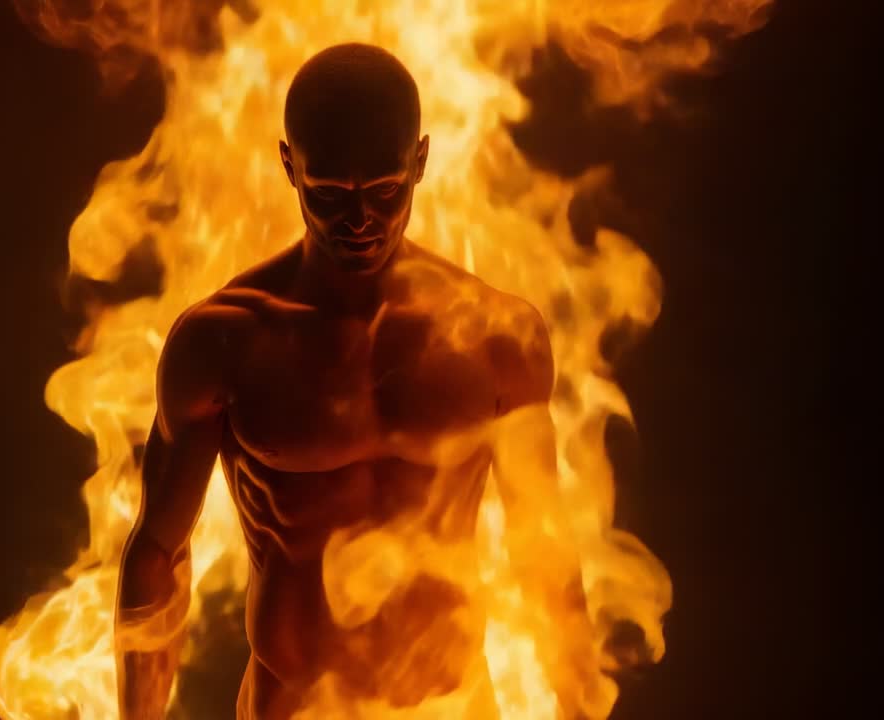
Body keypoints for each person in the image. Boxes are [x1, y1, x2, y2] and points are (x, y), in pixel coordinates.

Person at [116, 42, 607, 719]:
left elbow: (544, 558)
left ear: (421, 164)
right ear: (289, 166)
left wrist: (578, 707)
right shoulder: (225, 340)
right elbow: (157, 557)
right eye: (329, 195)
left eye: (383, 193)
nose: (358, 221)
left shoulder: (495, 338)